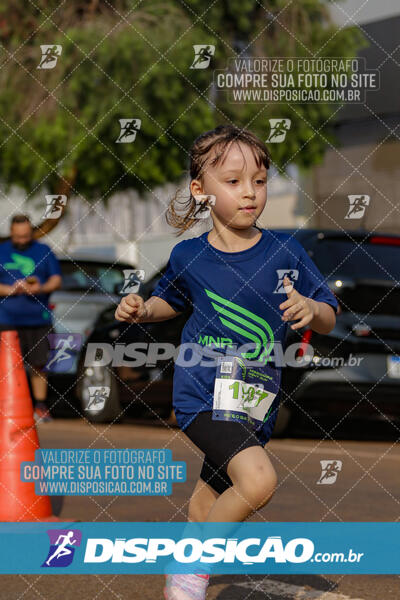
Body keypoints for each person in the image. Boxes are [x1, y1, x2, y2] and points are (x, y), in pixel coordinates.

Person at [115, 125, 339, 600]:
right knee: (257, 482)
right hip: (201, 392)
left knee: (207, 503)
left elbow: (328, 317)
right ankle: (190, 571)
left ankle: (181, 585)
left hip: (255, 399)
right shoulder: (189, 255)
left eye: (259, 181)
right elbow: (168, 302)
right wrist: (141, 308)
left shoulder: (286, 251)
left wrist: (310, 309)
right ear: (200, 191)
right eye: (233, 181)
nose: (250, 193)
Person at [0, 214, 62, 422]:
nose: (22, 240)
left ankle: (40, 407)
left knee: (40, 364)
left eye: (26, 236)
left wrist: (40, 287)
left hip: (39, 318)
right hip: (6, 319)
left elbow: (56, 279)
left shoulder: (43, 250)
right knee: (8, 365)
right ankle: (7, 407)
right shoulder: (1, 251)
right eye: (18, 237)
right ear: (11, 233)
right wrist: (10, 289)